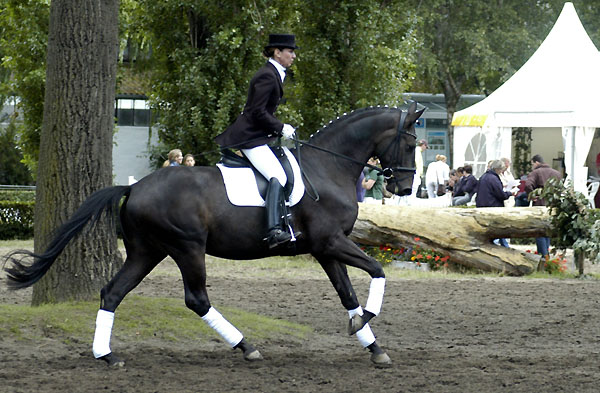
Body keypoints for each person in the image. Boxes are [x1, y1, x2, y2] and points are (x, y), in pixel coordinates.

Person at [214, 34, 299, 249]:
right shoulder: (267, 76)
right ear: (277, 52)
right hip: (250, 138)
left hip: (258, 136)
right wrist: (280, 127)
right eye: (290, 51)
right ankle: (273, 231)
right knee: (277, 176)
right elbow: (257, 111)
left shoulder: (274, 74)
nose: (294, 56)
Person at [524, 154, 561, 263]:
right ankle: (546, 255)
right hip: (552, 205)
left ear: (536, 163)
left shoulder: (535, 172)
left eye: (532, 164)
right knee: (547, 231)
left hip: (540, 204)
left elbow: (527, 185)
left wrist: (532, 195)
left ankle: (543, 257)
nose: (532, 166)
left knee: (539, 231)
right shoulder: (557, 173)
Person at [476, 160, 515, 247]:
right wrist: (509, 193)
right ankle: (500, 247)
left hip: (482, 206)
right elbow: (500, 195)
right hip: (493, 206)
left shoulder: (484, 176)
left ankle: (505, 246)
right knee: (497, 229)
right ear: (498, 169)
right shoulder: (494, 178)